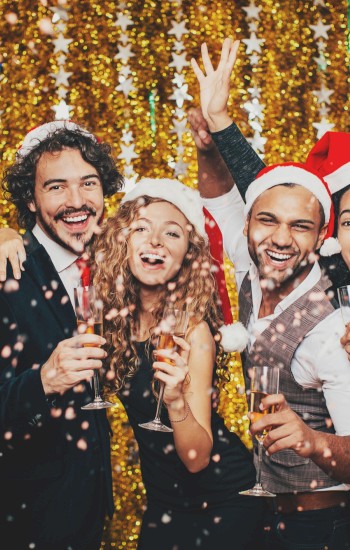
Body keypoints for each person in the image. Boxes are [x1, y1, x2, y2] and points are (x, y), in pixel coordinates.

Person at [191, 37, 350, 549]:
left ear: (321, 237)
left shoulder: (332, 327)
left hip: (323, 524)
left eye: (301, 227)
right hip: (270, 517)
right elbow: (229, 194)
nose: (281, 238)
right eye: (267, 222)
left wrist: (314, 440)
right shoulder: (251, 265)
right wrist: (214, 131)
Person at [91, 176, 263, 550]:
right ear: (122, 241)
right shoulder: (111, 320)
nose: (154, 241)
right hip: (164, 504)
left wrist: (175, 403)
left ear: (188, 253)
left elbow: (196, 458)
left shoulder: (192, 331)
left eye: (171, 233)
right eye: (141, 228)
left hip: (222, 500)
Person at [0, 120, 123, 549]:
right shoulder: (7, 271)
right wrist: (42, 382)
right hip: (23, 518)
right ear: (30, 201)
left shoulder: (113, 264)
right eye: (55, 187)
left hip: (87, 507)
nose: (76, 201)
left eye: (88, 183)